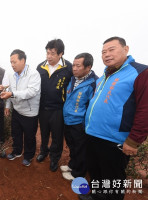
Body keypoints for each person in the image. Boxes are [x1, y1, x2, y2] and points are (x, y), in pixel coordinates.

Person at [80, 36, 148, 200]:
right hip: (92, 134)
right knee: (96, 173)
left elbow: (145, 109)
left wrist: (134, 140)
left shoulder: (140, 72)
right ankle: (96, 196)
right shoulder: (103, 77)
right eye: (103, 52)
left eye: (111, 50)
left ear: (126, 49)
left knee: (113, 179)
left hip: (114, 139)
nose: (107, 54)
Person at [36, 39, 73, 172]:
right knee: (44, 133)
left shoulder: (68, 67)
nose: (49, 56)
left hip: (58, 109)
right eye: (47, 53)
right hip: (43, 108)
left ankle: (54, 158)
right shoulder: (40, 67)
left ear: (61, 54)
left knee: (57, 136)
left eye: (52, 53)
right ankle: (43, 152)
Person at [0, 49, 41, 167]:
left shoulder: (33, 74)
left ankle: (28, 156)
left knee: (29, 136)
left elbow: (31, 92)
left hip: (29, 112)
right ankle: (17, 151)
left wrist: (12, 94)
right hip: (17, 110)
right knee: (16, 133)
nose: (12, 65)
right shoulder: (12, 75)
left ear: (23, 60)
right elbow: (9, 91)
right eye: (11, 62)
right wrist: (8, 106)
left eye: (14, 62)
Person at [61, 53, 98, 181]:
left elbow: (92, 106)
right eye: (74, 65)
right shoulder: (73, 79)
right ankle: (73, 165)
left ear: (88, 67)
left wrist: (85, 124)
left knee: (80, 148)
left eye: (78, 66)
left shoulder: (94, 83)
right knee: (72, 145)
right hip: (68, 119)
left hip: (79, 122)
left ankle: (78, 173)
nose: (74, 68)